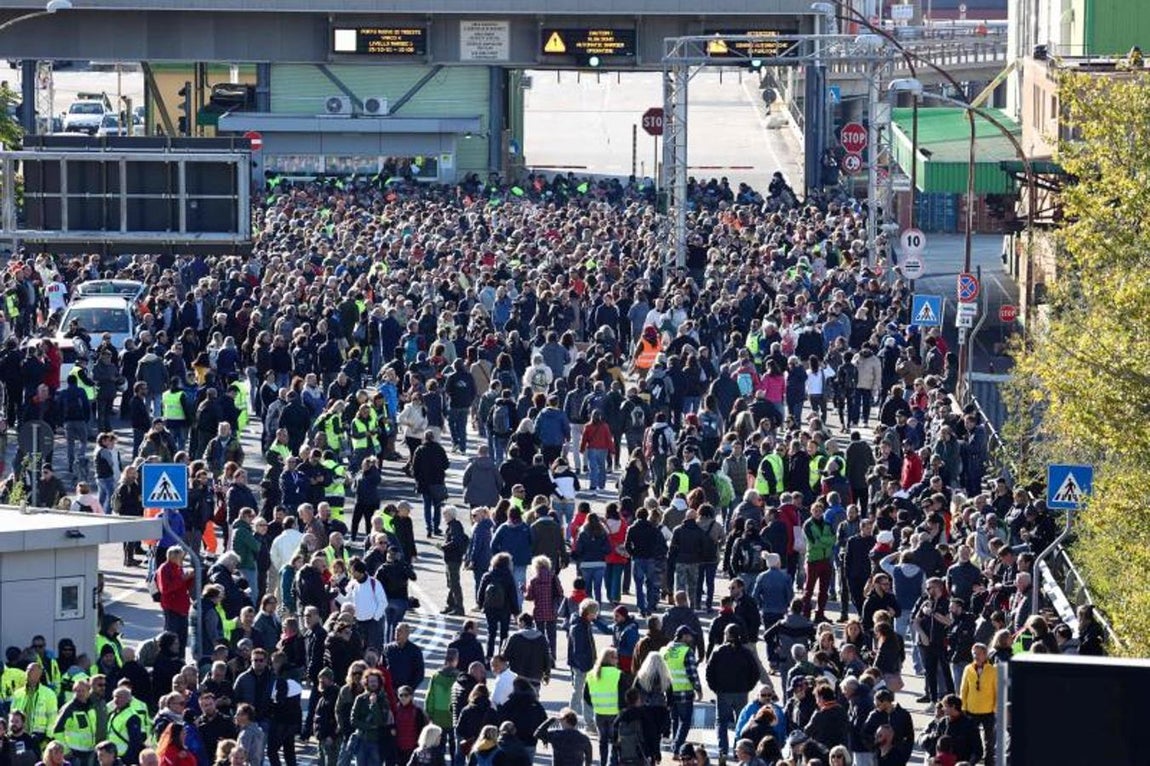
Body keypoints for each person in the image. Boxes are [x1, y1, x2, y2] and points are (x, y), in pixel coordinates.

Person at [583, 649, 627, 766]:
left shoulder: (591, 674)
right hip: (614, 713)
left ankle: (602, 763)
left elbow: (586, 696)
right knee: (615, 742)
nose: (618, 660)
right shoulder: (618, 674)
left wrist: (597, 704)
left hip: (599, 712)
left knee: (602, 741)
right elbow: (624, 696)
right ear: (611, 659)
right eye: (616, 658)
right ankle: (612, 763)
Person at [661, 626, 701, 754]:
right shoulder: (686, 651)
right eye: (690, 636)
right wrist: (698, 689)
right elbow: (692, 673)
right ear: (683, 636)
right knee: (685, 721)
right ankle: (677, 748)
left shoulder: (665, 650)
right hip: (683, 692)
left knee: (675, 720)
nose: (691, 638)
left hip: (669, 691)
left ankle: (675, 744)